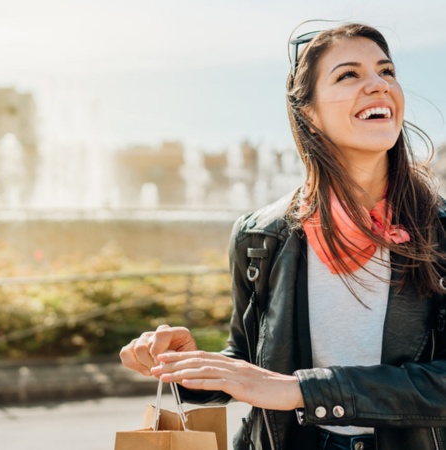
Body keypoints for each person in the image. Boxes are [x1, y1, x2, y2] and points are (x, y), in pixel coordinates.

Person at [119, 22, 446, 450]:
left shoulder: (438, 230)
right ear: (307, 111)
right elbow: (253, 362)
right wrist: (190, 366)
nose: (378, 85)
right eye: (349, 75)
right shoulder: (260, 236)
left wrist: (305, 391)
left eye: (386, 72)